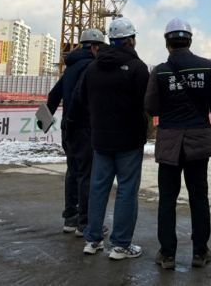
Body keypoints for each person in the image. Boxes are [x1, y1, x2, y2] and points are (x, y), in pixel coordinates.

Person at [145, 18, 211, 271]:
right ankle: (200, 252)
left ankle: (167, 254)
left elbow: (151, 107)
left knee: (167, 199)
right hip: (198, 141)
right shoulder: (206, 66)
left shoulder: (160, 71)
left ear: (167, 42)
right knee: (199, 197)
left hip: (170, 141)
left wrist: (170, 107)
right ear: (189, 40)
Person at [81, 17, 150, 260]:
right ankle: (120, 245)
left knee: (98, 188)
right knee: (126, 190)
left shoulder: (92, 68)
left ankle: (92, 239)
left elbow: (82, 100)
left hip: (101, 138)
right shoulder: (137, 67)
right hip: (129, 139)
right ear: (131, 40)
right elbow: (147, 103)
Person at [43, 29, 105, 234]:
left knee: (73, 171)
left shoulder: (71, 67)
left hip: (67, 129)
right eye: (100, 48)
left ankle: (70, 217)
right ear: (94, 47)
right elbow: (82, 96)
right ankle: (84, 222)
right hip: (83, 127)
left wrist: (43, 122)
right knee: (87, 174)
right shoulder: (91, 66)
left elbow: (53, 95)